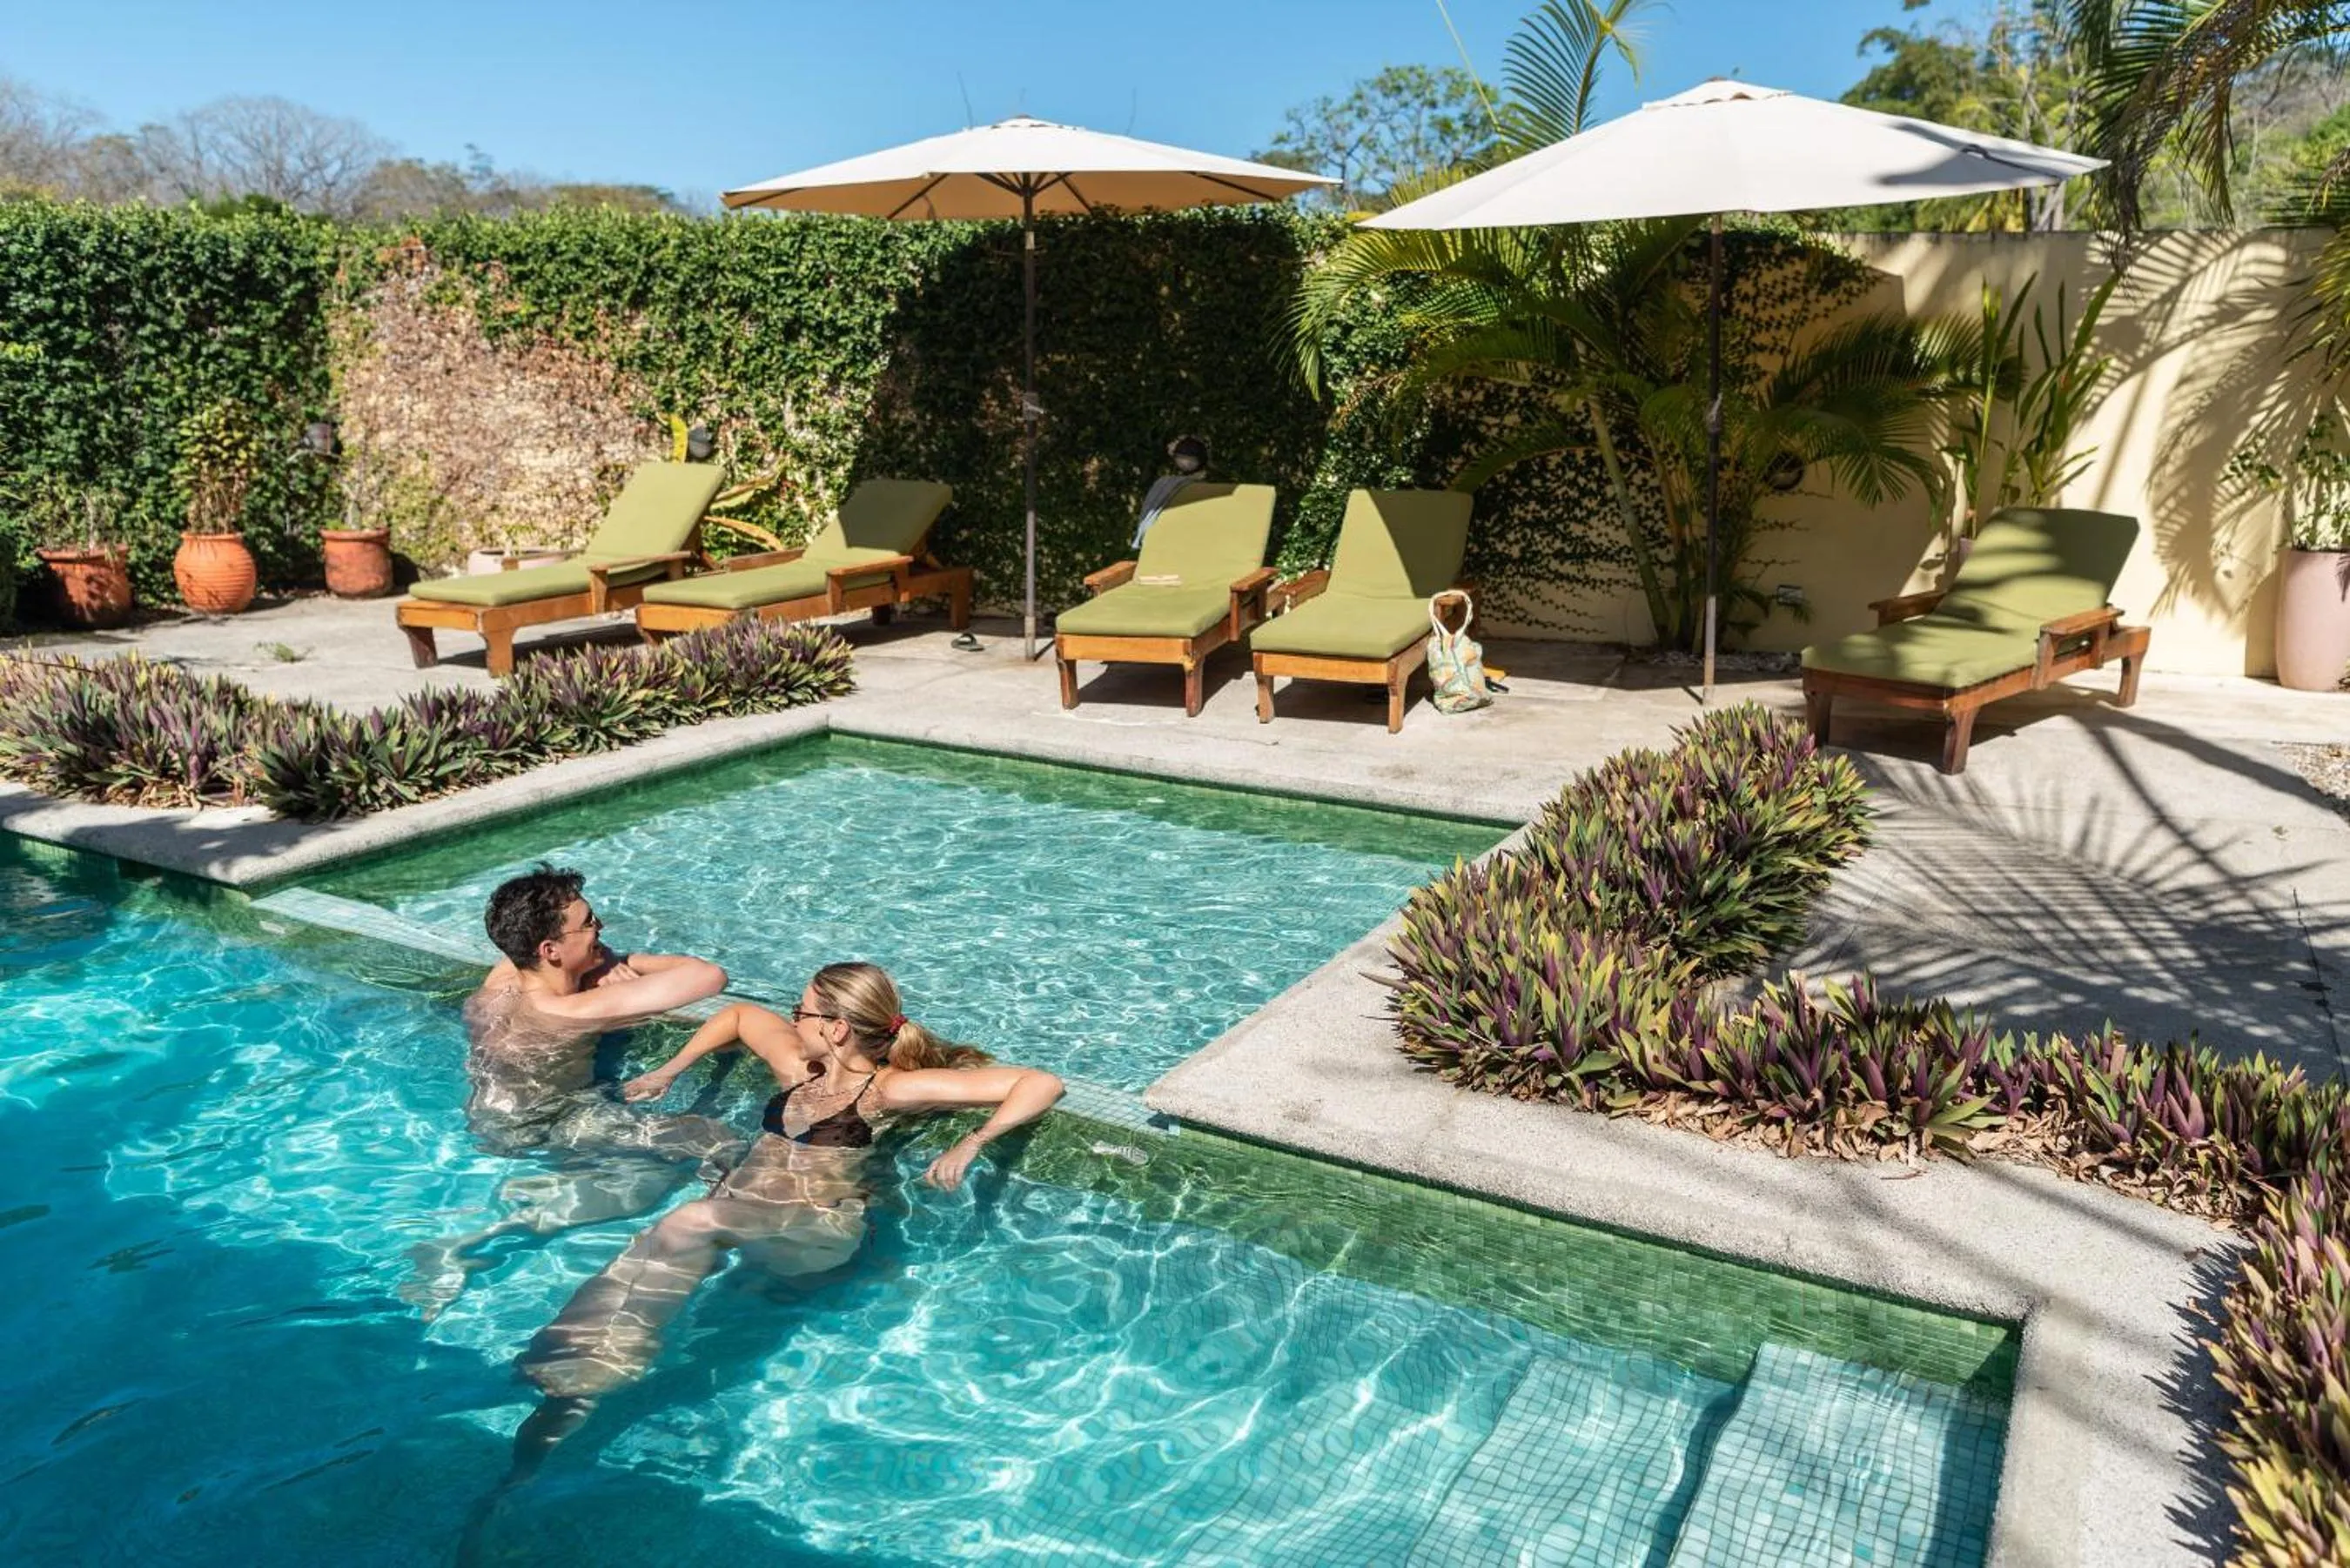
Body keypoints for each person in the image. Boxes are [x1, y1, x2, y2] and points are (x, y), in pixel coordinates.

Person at [501, 962, 1064, 1471]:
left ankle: (612, 1363)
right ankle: (567, 1357)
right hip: (753, 1221)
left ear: (836, 1026)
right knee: (659, 1240)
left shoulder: (886, 1090)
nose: (791, 1020)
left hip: (818, 1234)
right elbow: (741, 1014)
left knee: (692, 1220)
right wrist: (672, 1068)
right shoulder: (799, 1069)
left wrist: (972, 1142)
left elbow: (1039, 1082)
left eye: (801, 1012)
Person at [402, 865, 743, 1318]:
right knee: (714, 1140)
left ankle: (506, 1219)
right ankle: (475, 1244)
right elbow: (708, 977)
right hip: (551, 1118)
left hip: (490, 1113)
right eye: (589, 924)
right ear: (550, 949)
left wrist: (590, 958)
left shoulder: (501, 985)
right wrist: (627, 962)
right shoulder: (573, 1010)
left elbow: (516, 951)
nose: (599, 929)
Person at [1131, 433, 1209, 548]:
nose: (1185, 463)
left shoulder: (1202, 484)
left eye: (1190, 459)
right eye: (1182, 458)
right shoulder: (1166, 483)